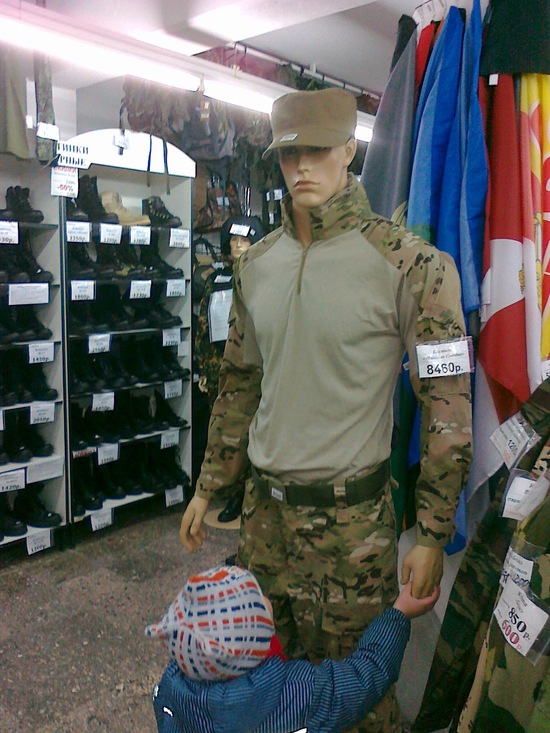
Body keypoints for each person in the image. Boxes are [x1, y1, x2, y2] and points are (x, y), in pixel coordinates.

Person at [180, 87, 472, 732]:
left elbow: (447, 408)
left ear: (349, 150)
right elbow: (239, 386)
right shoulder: (257, 265)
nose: (302, 167)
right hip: (264, 521)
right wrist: (209, 486)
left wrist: (431, 532)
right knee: (264, 693)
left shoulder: (412, 265)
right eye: (289, 155)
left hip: (352, 531)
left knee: (358, 704)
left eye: (317, 150)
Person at [146, 564, 441, 733]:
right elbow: (365, 677)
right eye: (259, 600)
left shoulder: (172, 687)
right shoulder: (300, 692)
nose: (268, 598)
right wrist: (398, 614)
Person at [194, 215, 265, 523]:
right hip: (218, 366)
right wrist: (204, 368)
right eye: (234, 240)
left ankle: (245, 494)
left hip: (252, 371)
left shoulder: (264, 281)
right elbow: (203, 324)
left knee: (250, 432)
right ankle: (227, 487)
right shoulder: (216, 279)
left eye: (244, 240)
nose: (238, 246)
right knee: (223, 427)